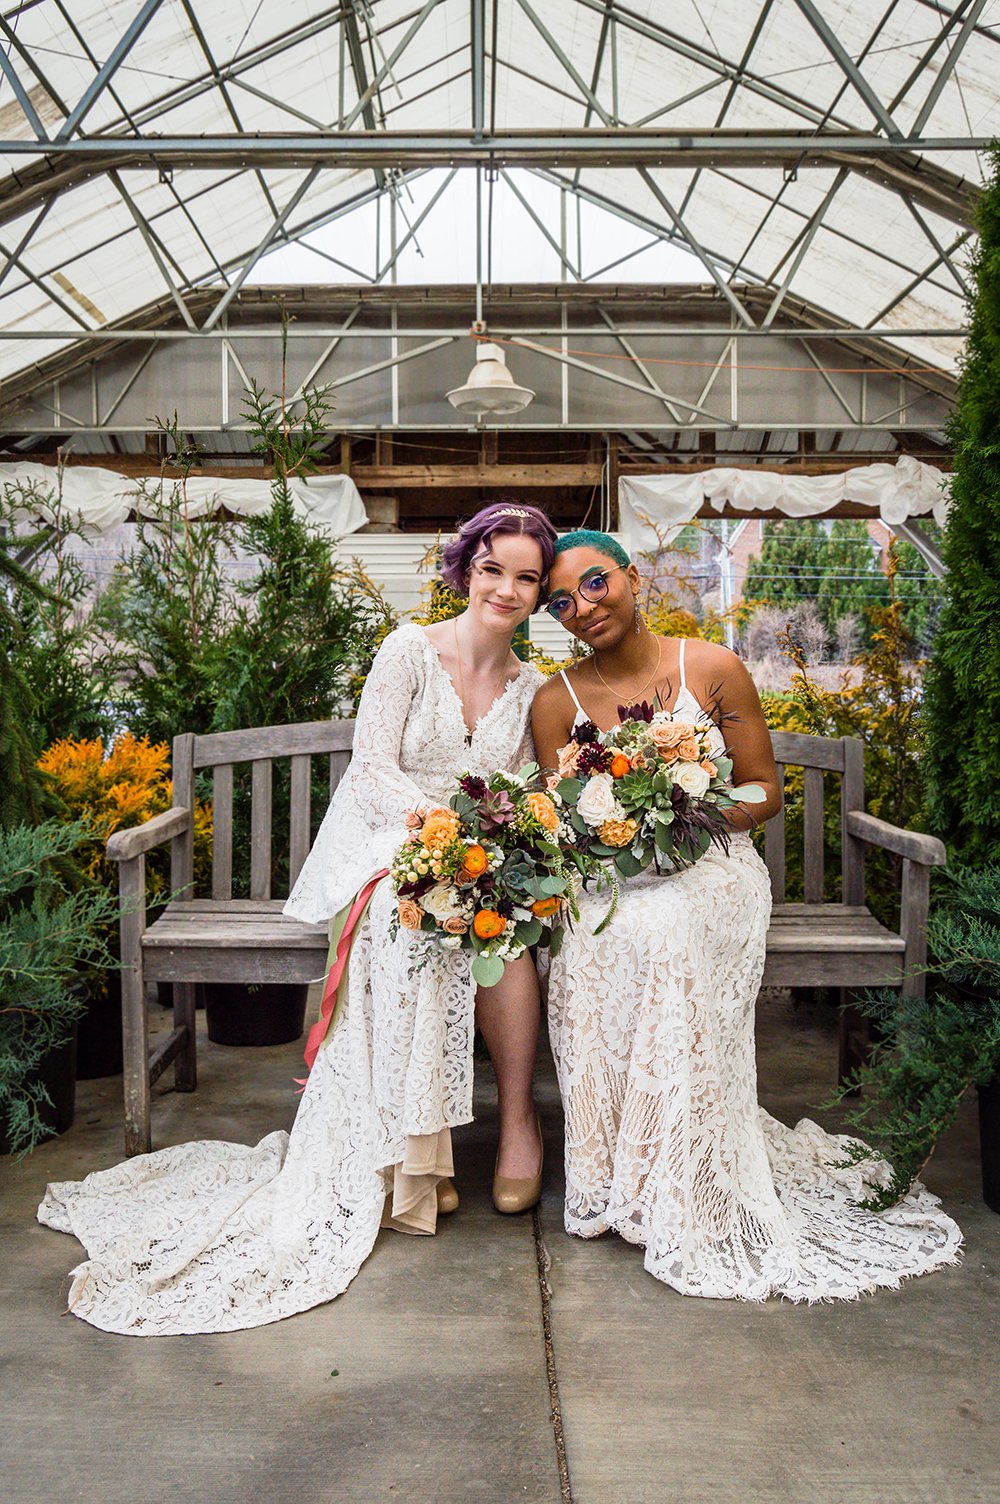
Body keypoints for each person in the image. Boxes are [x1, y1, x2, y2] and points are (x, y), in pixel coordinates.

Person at [38, 502, 555, 1335]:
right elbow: (373, 765)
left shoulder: (532, 688)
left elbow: (525, 785)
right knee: (407, 918)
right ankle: (414, 1156)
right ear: (466, 568)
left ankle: (510, 1127)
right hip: (385, 837)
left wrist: (495, 837)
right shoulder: (407, 650)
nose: (506, 587)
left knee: (496, 919)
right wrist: (437, 826)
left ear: (539, 592)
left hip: (474, 848)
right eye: (493, 568)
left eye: (527, 576)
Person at [531, 529, 961, 1302]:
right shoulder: (553, 699)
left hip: (713, 865)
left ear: (632, 577)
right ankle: (611, 1174)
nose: (582, 607)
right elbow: (553, 810)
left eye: (594, 583)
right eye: (561, 600)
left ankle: (688, 1173)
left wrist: (689, 816)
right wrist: (610, 832)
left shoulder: (713, 667)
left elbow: (764, 788)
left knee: (664, 930)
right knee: (584, 943)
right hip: (612, 872)